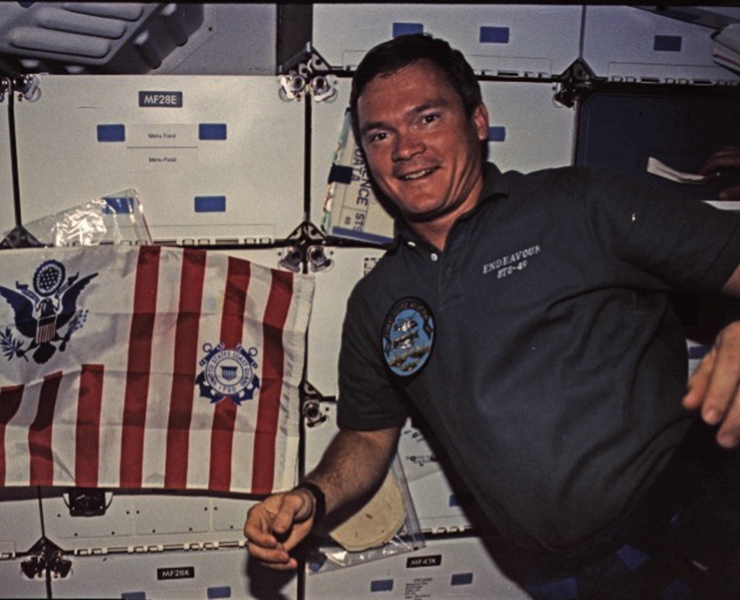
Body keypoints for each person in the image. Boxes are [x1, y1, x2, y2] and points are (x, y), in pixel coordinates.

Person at [244, 34, 740, 599]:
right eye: (380, 135)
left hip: (695, 529)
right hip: (564, 577)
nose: (405, 149)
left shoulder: (584, 204)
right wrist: (311, 497)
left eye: (427, 117)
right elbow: (367, 436)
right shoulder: (377, 299)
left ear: (477, 120)